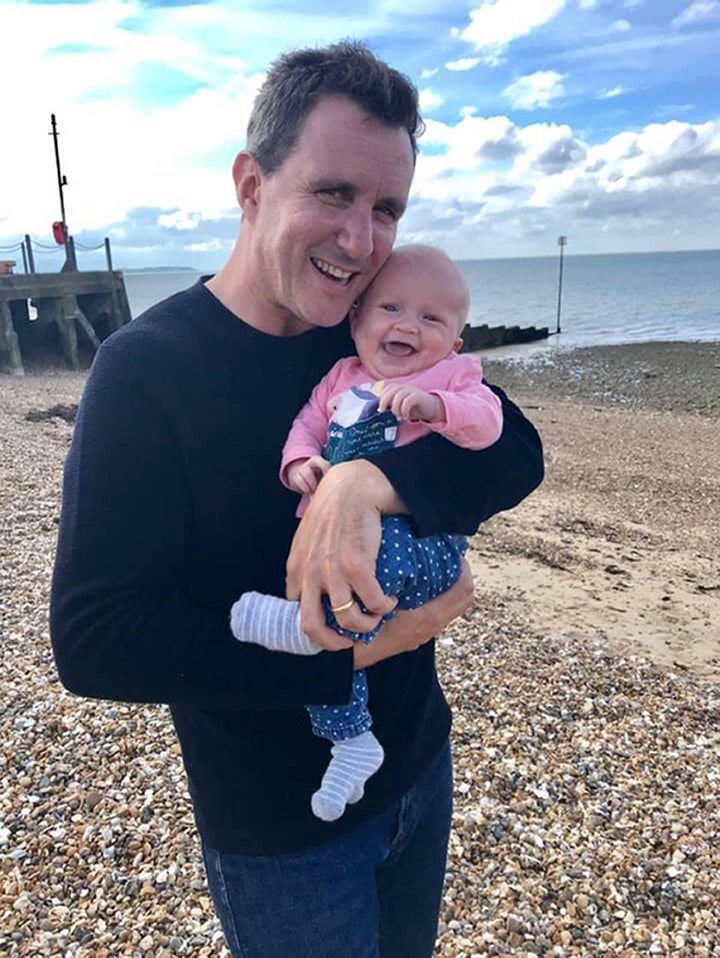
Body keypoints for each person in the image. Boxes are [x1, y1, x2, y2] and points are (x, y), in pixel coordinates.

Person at [50, 41, 543, 958]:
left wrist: (368, 480)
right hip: (278, 831)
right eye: (333, 194)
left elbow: (516, 448)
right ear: (250, 183)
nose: (360, 242)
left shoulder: (367, 328)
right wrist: (343, 661)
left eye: (386, 208)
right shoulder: (145, 371)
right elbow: (95, 640)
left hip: (419, 762)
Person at [232, 244, 504, 823]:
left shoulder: (451, 376)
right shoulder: (339, 377)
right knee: (327, 595)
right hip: (345, 557)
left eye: (431, 319)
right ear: (356, 321)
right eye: (390, 309)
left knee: (354, 582)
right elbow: (306, 423)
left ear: (455, 342)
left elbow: (492, 426)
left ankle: (301, 631)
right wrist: (300, 462)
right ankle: (352, 742)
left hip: (420, 547)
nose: (408, 325)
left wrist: (437, 407)